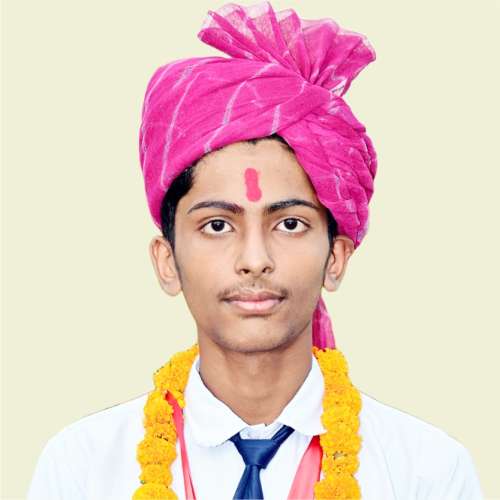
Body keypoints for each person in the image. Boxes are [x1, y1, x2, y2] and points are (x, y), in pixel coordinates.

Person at [27, 2, 484, 499]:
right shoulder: (84, 468)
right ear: (167, 260)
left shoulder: (425, 472)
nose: (254, 259)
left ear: (336, 257)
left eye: (289, 224)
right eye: (217, 225)